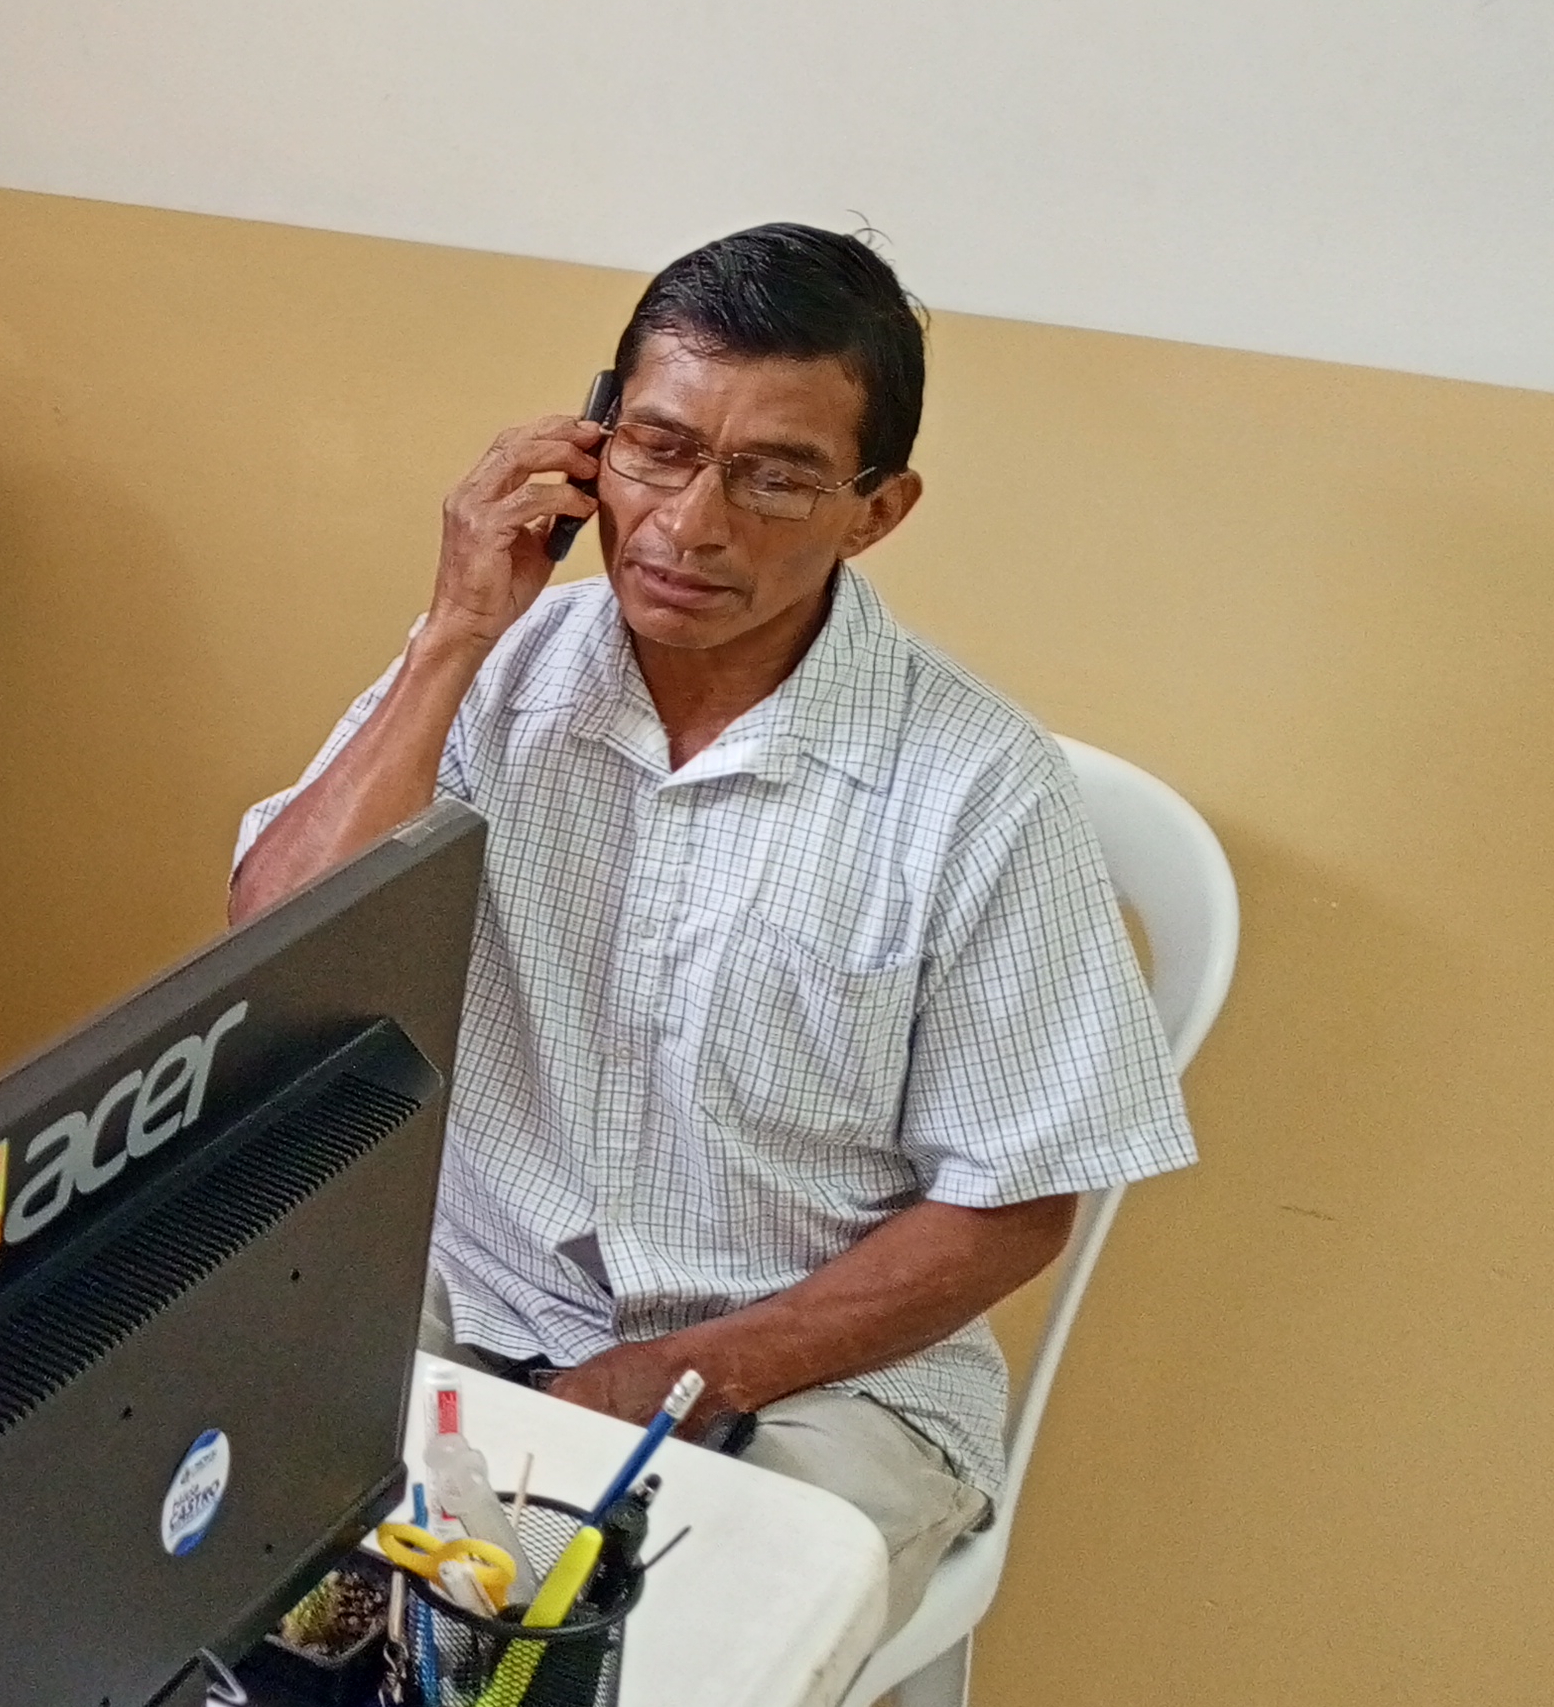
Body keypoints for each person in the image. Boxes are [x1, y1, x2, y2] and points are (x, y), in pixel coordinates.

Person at [228, 225, 1190, 1619]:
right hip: (471, 1294)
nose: (688, 525)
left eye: (775, 476)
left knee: (622, 1666)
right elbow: (275, 940)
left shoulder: (978, 785)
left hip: (818, 1372)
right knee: (210, 1549)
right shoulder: (498, 672)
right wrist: (452, 635)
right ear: (590, 445)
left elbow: (1013, 1203)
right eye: (658, 450)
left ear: (878, 509)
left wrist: (687, 1372)